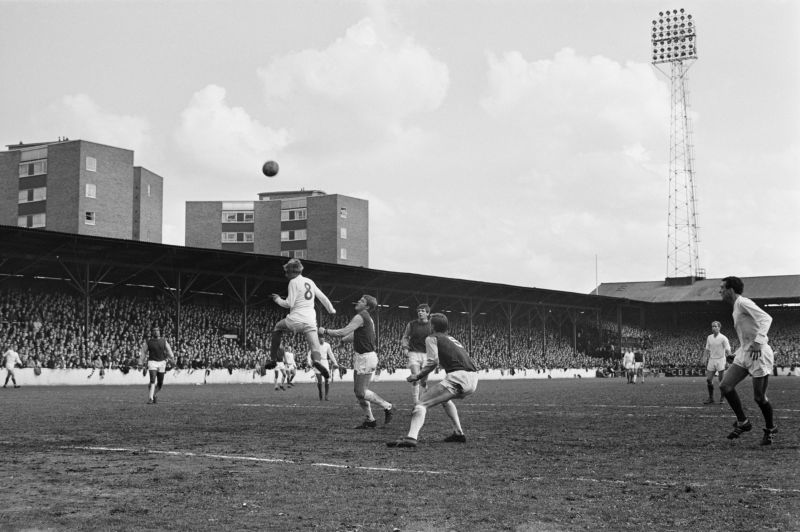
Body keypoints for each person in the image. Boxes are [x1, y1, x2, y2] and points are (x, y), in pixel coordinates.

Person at [387, 312, 478, 448]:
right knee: (445, 399)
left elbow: (433, 361)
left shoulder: (432, 338)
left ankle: (411, 438)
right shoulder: (452, 339)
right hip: (473, 378)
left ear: (432, 325)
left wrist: (417, 376)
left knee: (421, 403)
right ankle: (458, 433)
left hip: (458, 377)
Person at [718, 276, 778, 445]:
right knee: (725, 386)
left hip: (759, 354)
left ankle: (771, 428)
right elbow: (747, 335)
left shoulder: (743, 302)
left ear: (730, 290)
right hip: (745, 353)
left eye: (722, 287)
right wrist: (737, 353)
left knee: (759, 397)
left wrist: (759, 342)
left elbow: (766, 318)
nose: (719, 290)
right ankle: (743, 422)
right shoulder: (736, 307)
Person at [320, 295, 394, 428]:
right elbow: (356, 334)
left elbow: (343, 331)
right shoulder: (367, 319)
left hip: (366, 357)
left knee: (361, 392)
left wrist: (325, 331)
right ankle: (370, 420)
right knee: (358, 392)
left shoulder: (361, 316)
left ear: (367, 306)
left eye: (362, 301)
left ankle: (387, 406)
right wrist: (343, 341)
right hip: (361, 357)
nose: (358, 301)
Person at [266, 259, 336, 379]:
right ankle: (317, 362)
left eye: (287, 272)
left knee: (277, 327)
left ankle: (272, 359)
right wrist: (331, 310)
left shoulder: (293, 282)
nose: (286, 275)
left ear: (292, 272)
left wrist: (277, 299)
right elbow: (323, 297)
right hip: (310, 321)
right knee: (315, 346)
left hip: (295, 319)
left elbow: (289, 303)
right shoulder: (310, 281)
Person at [401, 303, 434, 403]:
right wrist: (405, 347)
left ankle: (423, 396)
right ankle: (417, 404)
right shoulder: (411, 324)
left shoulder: (432, 325)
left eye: (423, 311)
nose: (420, 312)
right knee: (415, 377)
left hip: (427, 355)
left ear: (428, 313)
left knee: (423, 381)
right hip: (414, 353)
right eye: (419, 311)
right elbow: (405, 336)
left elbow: (437, 339)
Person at [139, 326, 176, 404]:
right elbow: (143, 353)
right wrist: (140, 363)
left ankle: (154, 395)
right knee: (152, 380)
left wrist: (172, 358)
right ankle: (150, 398)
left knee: (160, 383)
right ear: (152, 332)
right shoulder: (148, 342)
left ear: (159, 332)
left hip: (162, 363)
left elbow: (169, 350)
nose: (156, 332)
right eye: (154, 330)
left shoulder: (164, 341)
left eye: (157, 330)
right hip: (152, 362)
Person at [701, 321, 732, 404]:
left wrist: (729, 358)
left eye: (715, 326)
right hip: (711, 360)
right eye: (712, 326)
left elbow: (728, 349)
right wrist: (704, 357)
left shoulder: (723, 338)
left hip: (721, 360)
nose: (713, 328)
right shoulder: (709, 337)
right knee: (708, 380)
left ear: (719, 327)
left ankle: (722, 397)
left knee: (721, 381)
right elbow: (707, 348)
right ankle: (711, 398)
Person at [308, 334, 339, 401]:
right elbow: (310, 353)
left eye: (323, 338)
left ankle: (326, 396)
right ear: (318, 338)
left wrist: (335, 363)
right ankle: (320, 392)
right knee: (319, 381)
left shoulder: (327, 345)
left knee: (327, 380)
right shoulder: (315, 345)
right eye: (320, 338)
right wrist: (309, 362)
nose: (322, 339)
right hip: (317, 362)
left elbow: (331, 354)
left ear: (324, 338)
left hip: (325, 362)